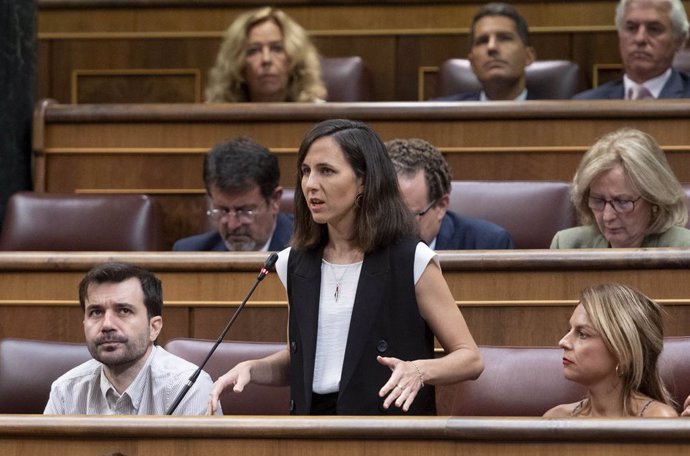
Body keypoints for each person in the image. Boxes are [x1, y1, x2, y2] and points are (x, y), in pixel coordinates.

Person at [208, 119, 483, 415]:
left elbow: (470, 358)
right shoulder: (293, 261)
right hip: (312, 429)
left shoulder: (410, 259)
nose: (311, 184)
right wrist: (253, 368)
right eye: (305, 171)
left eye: (326, 171)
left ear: (364, 181)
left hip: (388, 433)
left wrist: (420, 370)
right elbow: (306, 360)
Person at [44, 262, 219, 415]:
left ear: (154, 327)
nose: (107, 325)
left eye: (124, 311)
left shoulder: (189, 389)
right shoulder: (65, 391)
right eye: (96, 312)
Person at [544, 283, 677, 417]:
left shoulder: (657, 418)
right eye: (569, 330)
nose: (563, 342)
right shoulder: (556, 417)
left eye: (582, 334)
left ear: (624, 353)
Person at [550, 127, 690, 248]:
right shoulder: (567, 245)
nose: (607, 216)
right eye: (598, 201)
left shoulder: (683, 247)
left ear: (654, 200)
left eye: (622, 202)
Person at [385, 138, 514, 249]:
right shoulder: (367, 245)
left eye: (407, 217)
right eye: (383, 214)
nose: (392, 229)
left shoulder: (488, 245)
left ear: (441, 206)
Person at [173, 137, 293, 252]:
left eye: (245, 211)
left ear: (274, 200)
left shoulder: (307, 250)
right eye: (222, 210)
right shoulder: (191, 253)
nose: (232, 225)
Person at [205, 7, 326, 102]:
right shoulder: (217, 118)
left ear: (295, 59)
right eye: (253, 50)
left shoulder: (320, 116)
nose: (266, 59)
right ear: (238, 64)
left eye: (277, 49)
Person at [574, 0, 690, 99]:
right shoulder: (585, 105)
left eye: (654, 29)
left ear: (680, 40)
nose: (640, 39)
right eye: (631, 28)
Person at [436, 2, 536, 101]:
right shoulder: (438, 113)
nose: (491, 47)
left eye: (504, 38)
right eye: (482, 41)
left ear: (528, 56)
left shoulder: (550, 112)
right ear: (472, 63)